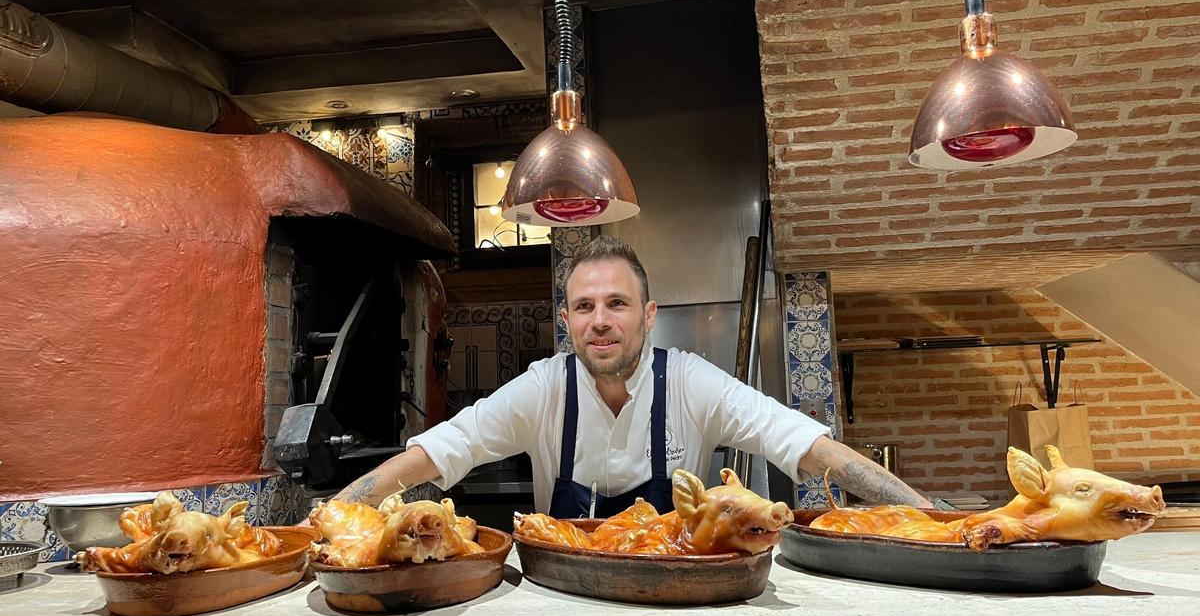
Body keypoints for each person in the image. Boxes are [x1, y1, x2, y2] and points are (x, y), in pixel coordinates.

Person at [334, 235, 931, 516]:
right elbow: (438, 452)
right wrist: (332, 516)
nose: (601, 322)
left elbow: (806, 445)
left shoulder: (692, 382)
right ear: (565, 321)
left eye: (617, 304)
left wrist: (933, 520)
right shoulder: (544, 388)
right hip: (563, 611)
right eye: (585, 308)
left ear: (647, 316)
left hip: (678, 609)